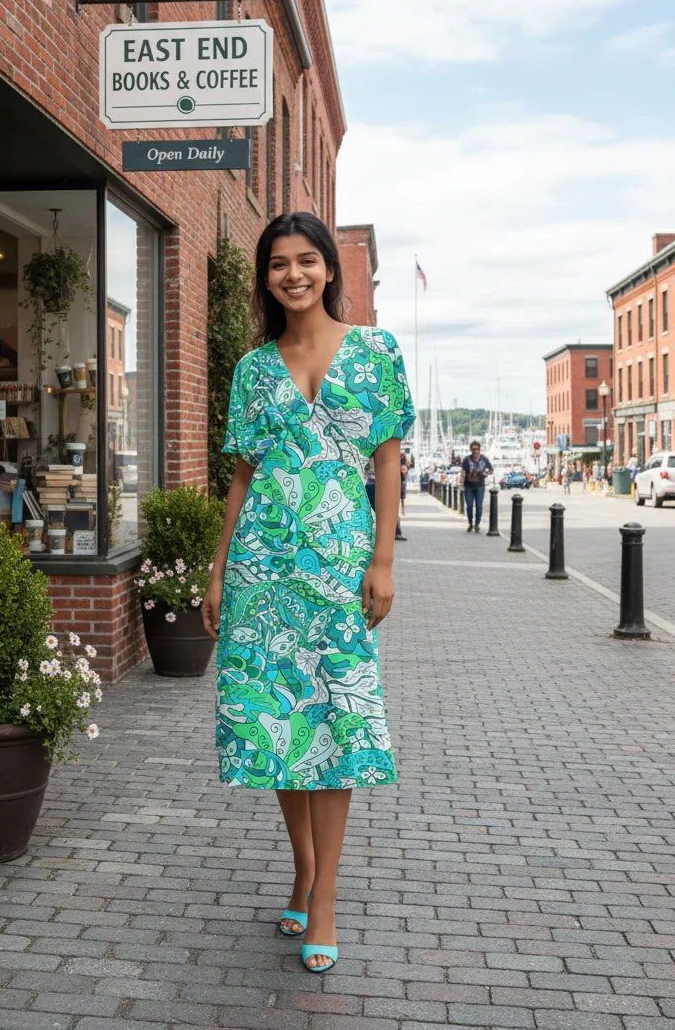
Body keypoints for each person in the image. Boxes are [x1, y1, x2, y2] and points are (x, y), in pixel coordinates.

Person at [202, 212, 415, 975]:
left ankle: (324, 894)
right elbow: (242, 476)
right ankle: (303, 868)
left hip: (337, 567)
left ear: (330, 268)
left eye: (306, 261)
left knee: (338, 725)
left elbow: (388, 463)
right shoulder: (254, 369)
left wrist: (382, 558)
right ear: (266, 279)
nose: (293, 274)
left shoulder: (376, 353)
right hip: (264, 568)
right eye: (278, 265)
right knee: (281, 729)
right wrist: (220, 569)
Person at [459, 441, 493, 532]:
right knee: (469, 506)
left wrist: (486, 473)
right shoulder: (466, 460)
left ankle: (477, 524)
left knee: (479, 505)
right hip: (468, 486)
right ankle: (470, 523)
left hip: (480, 486)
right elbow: (463, 472)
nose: (476, 451)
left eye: (477, 449)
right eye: (474, 449)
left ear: (479, 449)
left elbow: (491, 469)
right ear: (471, 449)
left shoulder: (484, 459)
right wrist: (460, 482)